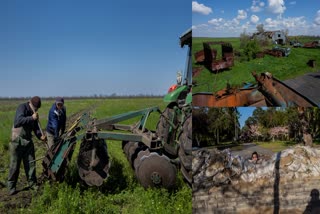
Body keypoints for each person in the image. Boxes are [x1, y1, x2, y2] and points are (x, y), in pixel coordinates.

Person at [8, 96, 46, 195]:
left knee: (31, 163)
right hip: (17, 141)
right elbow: (17, 122)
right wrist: (31, 118)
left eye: (37, 109)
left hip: (28, 141)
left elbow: (35, 128)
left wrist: (40, 136)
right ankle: (11, 186)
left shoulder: (34, 112)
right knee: (15, 165)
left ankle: (32, 184)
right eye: (35, 108)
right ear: (30, 104)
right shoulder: (22, 107)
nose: (36, 110)